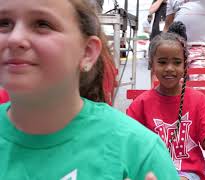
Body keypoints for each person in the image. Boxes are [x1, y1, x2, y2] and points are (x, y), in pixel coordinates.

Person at [0, 0, 179, 179]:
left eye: (42, 24)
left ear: (87, 52)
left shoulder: (137, 152)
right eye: (4, 23)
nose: (15, 39)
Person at [127, 22, 205, 180]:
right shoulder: (140, 104)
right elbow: (130, 148)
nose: (169, 68)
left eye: (177, 62)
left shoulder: (198, 101)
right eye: (162, 62)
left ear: (185, 66)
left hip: (189, 175)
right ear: (151, 65)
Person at [163, 0, 205, 81]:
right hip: (176, 49)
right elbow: (168, 25)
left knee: (200, 88)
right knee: (177, 90)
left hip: (203, 50)